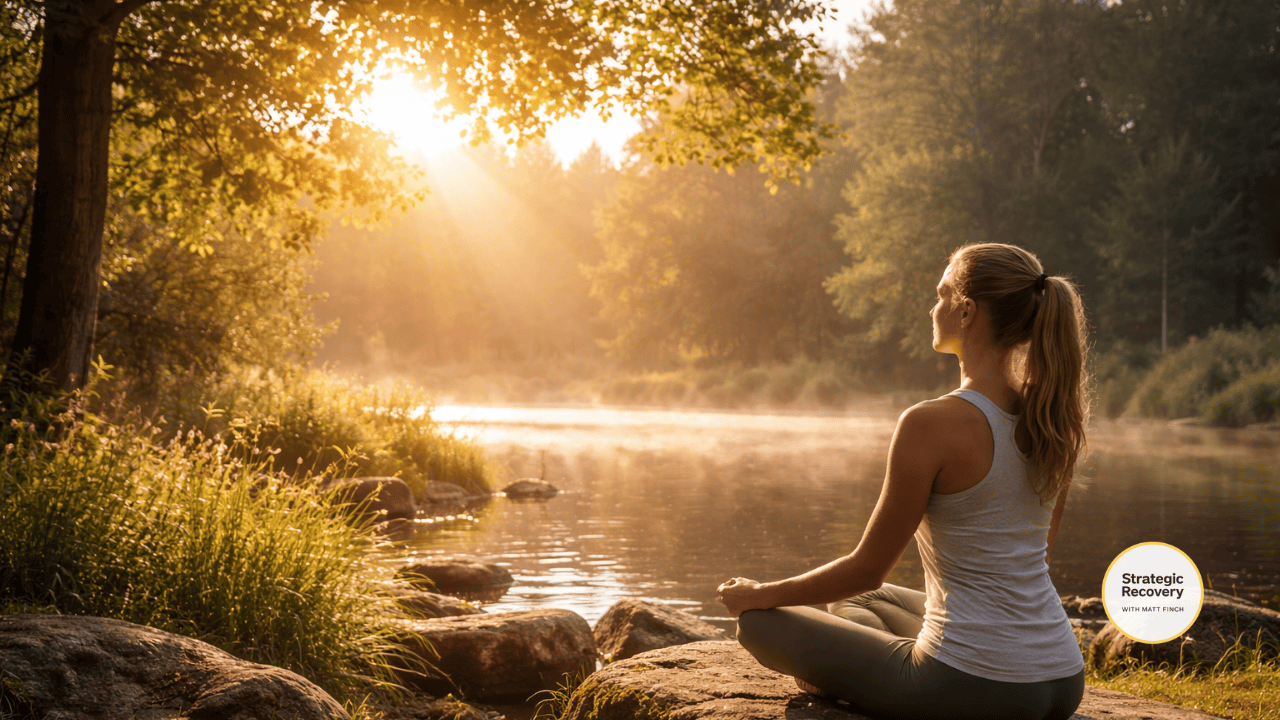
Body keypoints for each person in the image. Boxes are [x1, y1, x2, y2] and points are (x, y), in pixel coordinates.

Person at [717, 243, 1089, 720]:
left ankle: (846, 674)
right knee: (858, 602)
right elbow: (1034, 558)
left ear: (966, 311)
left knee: (758, 627)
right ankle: (866, 663)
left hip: (977, 687)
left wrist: (758, 594)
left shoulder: (930, 423)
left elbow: (867, 567)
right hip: (1062, 678)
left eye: (941, 295)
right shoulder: (1053, 419)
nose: (934, 308)